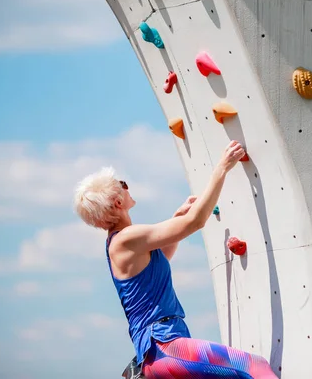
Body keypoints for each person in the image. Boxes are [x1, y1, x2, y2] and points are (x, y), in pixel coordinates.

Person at [73, 140, 278, 379]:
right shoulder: (126, 238)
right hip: (166, 345)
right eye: (123, 185)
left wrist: (176, 217)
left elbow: (160, 262)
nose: (127, 187)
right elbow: (195, 223)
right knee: (255, 367)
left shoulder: (120, 243)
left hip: (162, 350)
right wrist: (222, 167)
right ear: (118, 202)